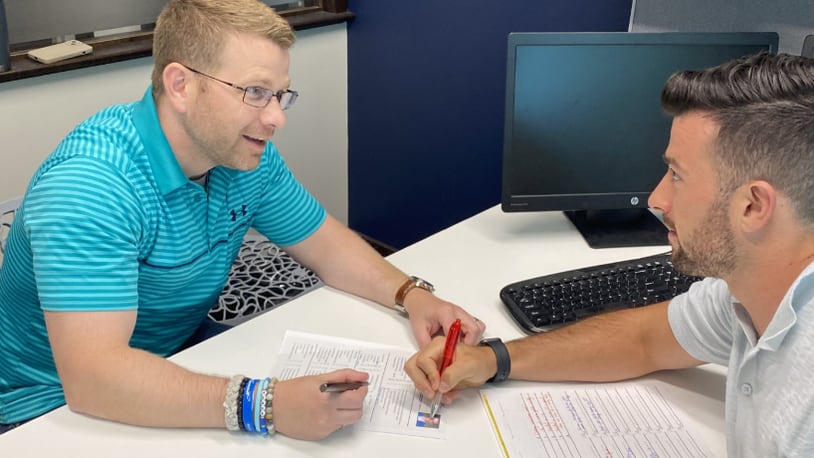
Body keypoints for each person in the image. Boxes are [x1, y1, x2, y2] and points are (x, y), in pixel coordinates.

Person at [0, 0, 485, 439]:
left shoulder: (240, 154)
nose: (277, 118)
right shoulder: (91, 188)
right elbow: (94, 381)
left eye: (280, 95)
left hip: (176, 348)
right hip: (48, 401)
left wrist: (414, 296)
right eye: (255, 92)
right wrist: (265, 405)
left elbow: (327, 245)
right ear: (180, 85)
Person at [405, 51, 814, 457]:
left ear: (753, 206)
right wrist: (490, 359)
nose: (657, 198)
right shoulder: (750, 291)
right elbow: (642, 339)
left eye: (677, 176)